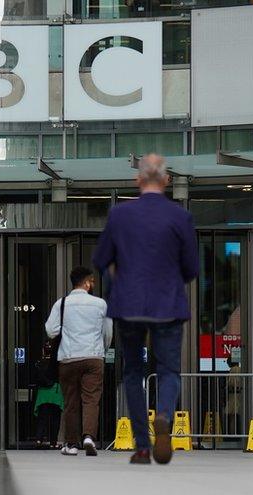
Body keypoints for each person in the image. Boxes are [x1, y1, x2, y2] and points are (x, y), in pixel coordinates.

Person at [93, 153, 199, 465]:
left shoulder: (120, 215)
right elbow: (191, 267)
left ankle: (141, 446)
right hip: (168, 304)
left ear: (138, 180)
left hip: (129, 304)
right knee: (168, 370)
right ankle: (164, 415)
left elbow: (100, 260)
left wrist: (118, 275)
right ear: (167, 181)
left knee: (133, 373)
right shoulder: (180, 217)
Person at [45, 265, 113, 457]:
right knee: (91, 399)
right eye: (91, 281)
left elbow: (51, 331)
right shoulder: (100, 304)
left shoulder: (62, 304)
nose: (92, 285)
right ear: (85, 282)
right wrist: (102, 351)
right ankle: (89, 437)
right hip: (93, 357)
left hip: (68, 358)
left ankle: (72, 444)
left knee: (71, 402)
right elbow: (108, 333)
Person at [32, 342, 63, 449]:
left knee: (42, 417)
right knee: (55, 418)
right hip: (56, 392)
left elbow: (36, 377)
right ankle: (53, 442)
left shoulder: (39, 363)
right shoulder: (57, 362)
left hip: (43, 393)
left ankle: (39, 439)